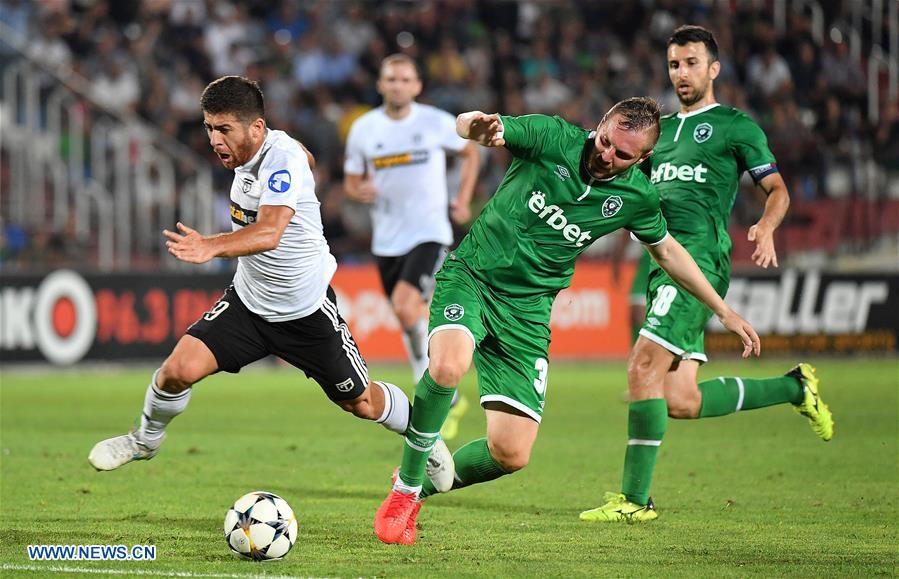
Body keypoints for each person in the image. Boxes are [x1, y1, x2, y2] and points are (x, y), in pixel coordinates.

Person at [373, 96, 762, 545]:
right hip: (473, 278)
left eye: (623, 154)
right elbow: (480, 127)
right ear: (600, 124)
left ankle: (419, 488)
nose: (607, 155)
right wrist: (474, 126)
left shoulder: (637, 196)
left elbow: (669, 252)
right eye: (605, 141)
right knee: (447, 367)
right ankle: (405, 489)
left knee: (511, 452)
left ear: (644, 158)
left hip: (528, 312)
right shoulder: (552, 137)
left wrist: (723, 310)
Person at [87, 76, 453, 493]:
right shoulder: (265, 154)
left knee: (363, 402)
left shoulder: (281, 160)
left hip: (306, 313)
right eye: (209, 128)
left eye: (224, 129)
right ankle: (144, 441)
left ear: (256, 128)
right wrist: (304, 169)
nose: (214, 140)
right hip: (249, 305)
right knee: (176, 371)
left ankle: (425, 434)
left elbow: (270, 232)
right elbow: (308, 159)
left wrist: (210, 246)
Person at [579, 25, 834, 524]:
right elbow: (631, 198)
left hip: (699, 262)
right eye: (674, 64)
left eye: (692, 63)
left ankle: (635, 500)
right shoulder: (656, 134)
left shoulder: (735, 126)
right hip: (663, 264)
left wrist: (766, 225)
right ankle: (795, 387)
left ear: (713, 68)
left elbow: (778, 190)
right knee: (681, 399)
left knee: (642, 368)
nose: (682, 73)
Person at [344, 54, 479, 440]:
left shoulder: (435, 121)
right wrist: (358, 190)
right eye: (391, 79)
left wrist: (463, 199)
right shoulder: (364, 129)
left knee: (407, 305)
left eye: (405, 79)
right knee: (407, 316)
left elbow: (470, 152)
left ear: (417, 86)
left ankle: (433, 391)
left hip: (429, 232)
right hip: (387, 239)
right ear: (380, 84)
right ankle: (443, 390)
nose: (398, 85)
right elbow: (351, 180)